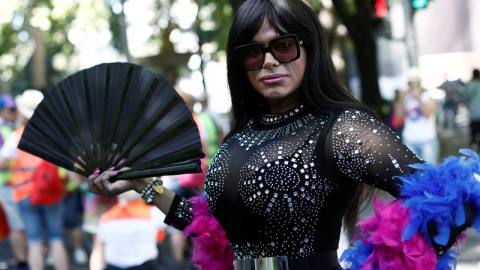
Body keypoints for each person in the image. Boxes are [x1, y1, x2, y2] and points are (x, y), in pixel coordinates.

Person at [78, 1, 480, 269]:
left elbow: (452, 200)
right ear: (241, 65)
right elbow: (215, 231)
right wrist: (141, 186)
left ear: (309, 49)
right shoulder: (240, 136)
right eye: (253, 51)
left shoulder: (341, 127)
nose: (269, 60)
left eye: (283, 45)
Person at [0, 89, 69, 270]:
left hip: (25, 194)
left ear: (23, 112)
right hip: (52, 191)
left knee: (34, 241)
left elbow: (1, 162)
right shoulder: (54, 135)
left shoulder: (16, 136)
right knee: (56, 239)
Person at [89, 190, 169, 270]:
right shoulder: (153, 213)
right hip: (144, 266)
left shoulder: (106, 217)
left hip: (114, 266)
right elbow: (173, 219)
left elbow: (98, 250)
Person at [0, 94, 29, 270]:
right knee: (17, 226)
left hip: (16, 185)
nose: (14, 112)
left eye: (15, 109)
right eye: (11, 109)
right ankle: (22, 261)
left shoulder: (13, 129)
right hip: (7, 185)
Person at [399, 79, 440, 165]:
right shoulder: (407, 98)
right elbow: (399, 117)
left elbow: (427, 114)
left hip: (427, 140)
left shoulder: (429, 96)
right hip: (409, 140)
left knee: (429, 170)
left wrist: (418, 99)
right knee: (413, 172)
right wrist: (401, 99)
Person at [460, 68, 480, 151]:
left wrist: (469, 105)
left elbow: (462, 98)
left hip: (473, 114)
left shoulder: (469, 85)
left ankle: (474, 152)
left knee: (473, 135)